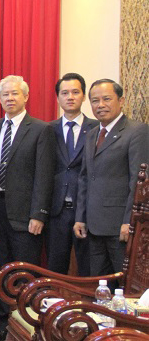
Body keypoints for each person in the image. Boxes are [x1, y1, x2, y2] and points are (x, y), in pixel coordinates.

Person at [0, 75, 55, 341]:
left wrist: (39, 214)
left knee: (25, 272)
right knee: (2, 269)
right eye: (5, 94)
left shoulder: (40, 129)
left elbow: (44, 175)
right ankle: (1, 326)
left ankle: (25, 326)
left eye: (15, 93)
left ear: (26, 96)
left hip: (27, 214)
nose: (10, 98)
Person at [74, 79, 149, 276]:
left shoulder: (137, 131)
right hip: (93, 225)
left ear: (121, 100)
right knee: (99, 282)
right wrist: (80, 217)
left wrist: (130, 222)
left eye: (106, 99)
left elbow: (138, 183)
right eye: (95, 100)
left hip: (120, 227)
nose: (100, 105)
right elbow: (85, 178)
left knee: (124, 284)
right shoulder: (91, 134)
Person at [47, 73, 97, 276]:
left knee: (87, 267)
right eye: (64, 93)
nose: (70, 97)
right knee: (55, 266)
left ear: (83, 96)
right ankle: (54, 307)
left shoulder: (96, 128)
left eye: (75, 92)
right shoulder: (48, 129)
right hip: (56, 210)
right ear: (58, 98)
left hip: (86, 209)